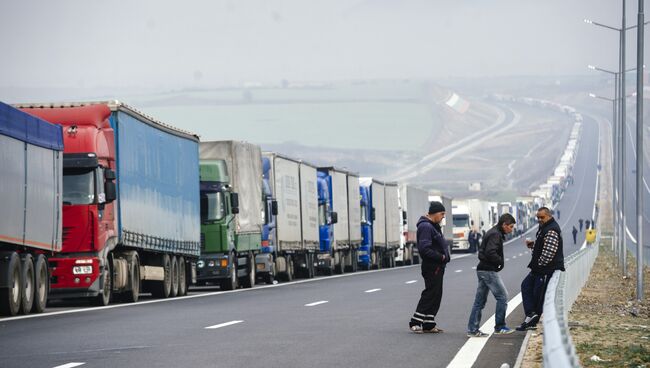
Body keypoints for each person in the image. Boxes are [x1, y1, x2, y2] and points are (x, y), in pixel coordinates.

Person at [467, 213, 517, 337]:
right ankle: (500, 327)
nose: (512, 229)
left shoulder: (494, 232)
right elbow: (490, 252)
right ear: (504, 224)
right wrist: (499, 261)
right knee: (503, 296)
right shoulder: (495, 234)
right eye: (510, 226)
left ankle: (473, 329)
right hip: (488, 270)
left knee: (479, 301)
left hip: (483, 269)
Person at [516, 207, 565, 331]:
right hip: (538, 269)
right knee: (526, 286)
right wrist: (533, 245)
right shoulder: (544, 228)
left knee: (538, 295)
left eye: (542, 217)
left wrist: (539, 264)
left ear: (548, 216)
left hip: (545, 270)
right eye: (537, 217)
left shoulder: (552, 230)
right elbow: (543, 248)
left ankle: (532, 321)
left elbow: (548, 254)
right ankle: (531, 315)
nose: (539, 219)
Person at [409, 201, 450, 334]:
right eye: (442, 214)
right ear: (434, 213)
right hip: (432, 266)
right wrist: (441, 257)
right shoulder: (426, 227)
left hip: (438, 266)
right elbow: (424, 249)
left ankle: (429, 323)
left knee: (437, 294)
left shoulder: (434, 226)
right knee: (430, 293)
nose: (443, 216)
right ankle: (415, 322)